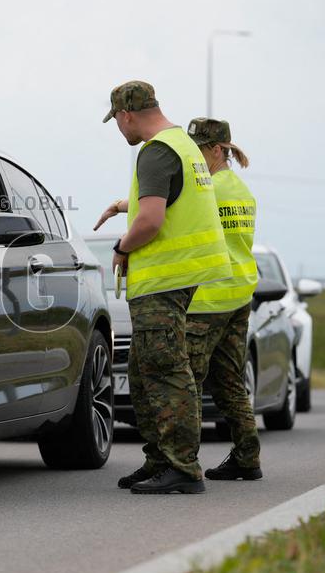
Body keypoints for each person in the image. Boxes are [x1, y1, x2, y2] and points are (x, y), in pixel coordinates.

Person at [96, 80, 231, 494]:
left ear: (127, 114)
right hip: (178, 276)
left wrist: (121, 247)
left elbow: (151, 221)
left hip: (163, 279)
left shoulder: (155, 152)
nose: (120, 130)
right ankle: (158, 460)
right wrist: (125, 207)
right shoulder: (184, 145)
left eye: (117, 121)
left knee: (166, 371)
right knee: (142, 371)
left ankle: (182, 467)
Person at [184, 118, 262, 480]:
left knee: (187, 381)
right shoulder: (241, 190)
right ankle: (247, 456)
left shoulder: (207, 190)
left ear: (217, 150)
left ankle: (182, 464)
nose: (194, 156)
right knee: (229, 380)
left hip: (208, 298)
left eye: (199, 149)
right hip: (238, 295)